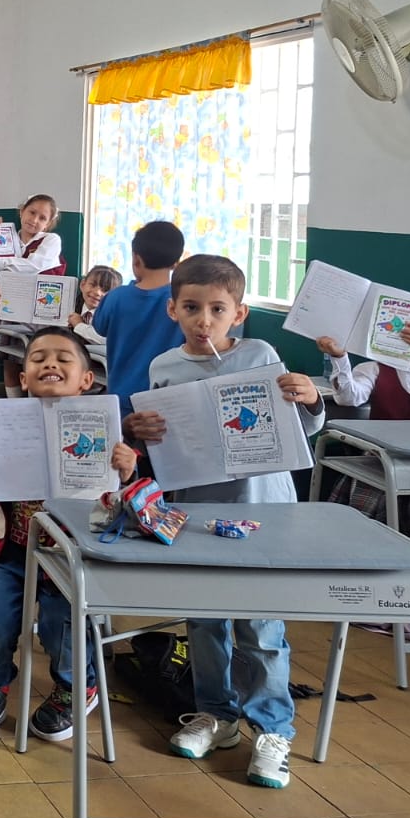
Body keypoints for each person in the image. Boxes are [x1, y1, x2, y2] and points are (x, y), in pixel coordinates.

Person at [125, 254, 325, 789]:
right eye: (191, 308)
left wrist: (309, 399)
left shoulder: (261, 355)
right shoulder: (163, 367)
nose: (203, 320)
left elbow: (299, 419)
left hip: (262, 508)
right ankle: (218, 715)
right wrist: (140, 429)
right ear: (173, 309)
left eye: (217, 309)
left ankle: (271, 730)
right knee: (205, 621)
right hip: (197, 511)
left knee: (260, 627)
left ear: (238, 313)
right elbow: (160, 441)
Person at [0, 328, 139, 747]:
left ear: (86, 380)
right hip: (16, 550)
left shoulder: (103, 426)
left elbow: (121, 498)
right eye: (37, 359)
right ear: (22, 376)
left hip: (73, 554)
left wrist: (126, 471)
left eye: (62, 359)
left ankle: (77, 687)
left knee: (61, 627)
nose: (49, 365)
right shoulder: (3, 422)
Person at [317, 303, 410, 530]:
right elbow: (348, 398)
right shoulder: (375, 368)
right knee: (373, 507)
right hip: (384, 461)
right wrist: (339, 358)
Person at [92, 220, 185, 421]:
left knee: (124, 451)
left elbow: (99, 328)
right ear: (176, 263)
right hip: (168, 401)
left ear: (136, 259)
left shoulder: (116, 297)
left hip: (122, 399)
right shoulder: (184, 302)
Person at [0, 194, 63, 395]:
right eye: (31, 212)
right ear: (22, 211)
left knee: (37, 362)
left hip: (38, 315)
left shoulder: (51, 241)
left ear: (48, 224)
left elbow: (32, 267)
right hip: (7, 308)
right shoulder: (7, 237)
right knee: (9, 362)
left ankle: (35, 405)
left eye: (42, 218)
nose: (34, 220)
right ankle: (14, 406)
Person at [69, 265, 122, 346]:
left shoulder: (115, 316)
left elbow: (108, 340)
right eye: (93, 285)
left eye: (105, 290)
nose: (97, 292)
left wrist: (79, 325)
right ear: (83, 285)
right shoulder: (70, 304)